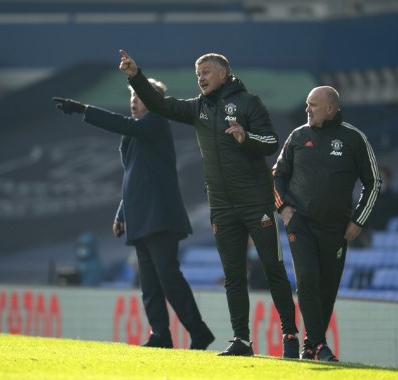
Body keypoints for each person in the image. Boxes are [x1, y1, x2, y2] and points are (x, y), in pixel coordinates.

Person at [117, 50, 299, 358]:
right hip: (222, 206)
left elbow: (271, 143)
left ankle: (290, 335)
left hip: (255, 202)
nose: (200, 78)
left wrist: (246, 137)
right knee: (233, 275)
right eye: (197, 73)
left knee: (272, 268)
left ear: (224, 74)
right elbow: (160, 104)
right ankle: (242, 339)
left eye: (206, 72)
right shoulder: (197, 108)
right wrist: (137, 76)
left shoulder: (248, 102)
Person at [52, 78, 215, 350]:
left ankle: (198, 333)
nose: (133, 101)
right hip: (141, 215)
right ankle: (160, 335)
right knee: (149, 282)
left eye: (139, 96)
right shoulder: (136, 131)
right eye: (132, 96)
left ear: (152, 101)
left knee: (168, 277)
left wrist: (84, 110)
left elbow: (123, 125)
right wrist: (122, 212)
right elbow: (133, 175)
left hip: (160, 215)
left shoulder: (156, 122)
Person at [273, 86, 381, 361]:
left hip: (336, 228)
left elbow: (374, 182)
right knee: (307, 278)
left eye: (313, 105)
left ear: (330, 109)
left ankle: (310, 346)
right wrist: (283, 209)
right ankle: (319, 344)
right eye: (307, 104)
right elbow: (276, 176)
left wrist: (358, 221)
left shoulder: (354, 139)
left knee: (327, 287)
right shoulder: (298, 135)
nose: (307, 109)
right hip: (301, 224)